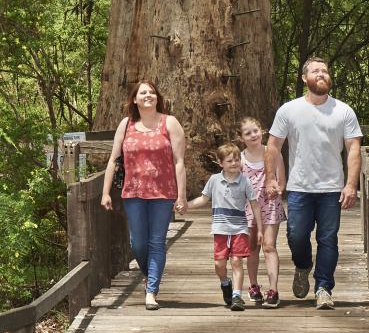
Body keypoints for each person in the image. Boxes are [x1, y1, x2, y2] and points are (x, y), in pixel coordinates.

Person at [264, 57, 362, 310]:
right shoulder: (289, 110)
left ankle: (323, 288)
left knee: (328, 238)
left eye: (325, 71)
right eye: (315, 71)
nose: (321, 74)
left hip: (331, 188)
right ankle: (303, 266)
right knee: (297, 236)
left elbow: (353, 149)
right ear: (304, 78)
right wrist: (270, 178)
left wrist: (351, 185)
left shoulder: (343, 110)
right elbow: (273, 146)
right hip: (300, 187)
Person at [102, 80, 188, 310]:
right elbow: (113, 160)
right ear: (134, 99)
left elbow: (180, 162)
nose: (148, 95)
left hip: (163, 192)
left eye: (152, 92)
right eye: (143, 93)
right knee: (138, 243)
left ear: (157, 97)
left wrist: (182, 196)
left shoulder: (170, 123)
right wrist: (105, 192)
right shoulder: (126, 124)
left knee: (157, 242)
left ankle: (151, 291)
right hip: (134, 192)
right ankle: (150, 273)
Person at [183, 143, 260, 311]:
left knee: (236, 261)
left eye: (237, 160)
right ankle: (226, 283)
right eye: (230, 161)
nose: (234, 163)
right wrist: (186, 205)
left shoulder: (245, 181)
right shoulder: (214, 180)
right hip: (220, 229)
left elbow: (254, 205)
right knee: (219, 265)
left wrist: (259, 228)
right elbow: (203, 200)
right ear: (221, 163)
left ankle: (237, 296)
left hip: (239, 228)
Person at [239, 117, 286, 308]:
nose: (253, 135)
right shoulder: (239, 158)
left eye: (256, 131)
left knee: (269, 246)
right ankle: (253, 286)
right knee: (252, 248)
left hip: (270, 205)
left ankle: (273, 290)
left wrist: (277, 189)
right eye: (248, 133)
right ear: (241, 137)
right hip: (248, 208)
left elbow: (282, 181)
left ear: (262, 131)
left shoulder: (272, 153)